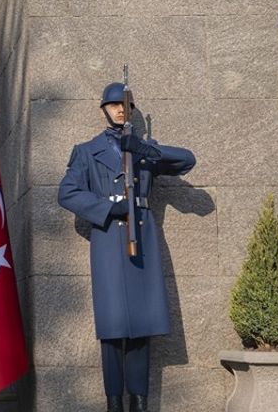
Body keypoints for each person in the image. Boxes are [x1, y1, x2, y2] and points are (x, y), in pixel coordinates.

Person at [57, 82, 196, 412]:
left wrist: (144, 149)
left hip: (143, 238)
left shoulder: (143, 148)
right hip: (109, 240)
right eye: (114, 104)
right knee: (113, 325)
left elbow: (188, 160)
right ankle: (114, 403)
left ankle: (140, 402)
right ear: (103, 109)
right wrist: (107, 208)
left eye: (126, 105)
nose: (120, 109)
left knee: (142, 327)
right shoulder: (86, 151)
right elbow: (67, 193)